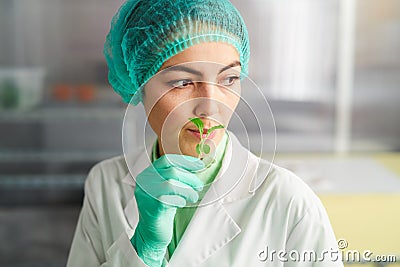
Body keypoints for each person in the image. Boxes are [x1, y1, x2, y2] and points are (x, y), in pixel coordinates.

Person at [67, 0, 343, 266]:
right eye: (183, 82)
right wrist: (145, 247)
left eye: (228, 79)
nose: (210, 106)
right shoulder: (105, 184)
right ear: (140, 83)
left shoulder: (288, 200)